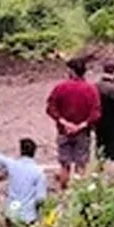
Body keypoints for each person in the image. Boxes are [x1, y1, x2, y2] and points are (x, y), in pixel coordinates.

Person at [45, 56, 100, 189]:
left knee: (64, 164)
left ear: (71, 71)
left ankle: (63, 191)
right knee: (82, 164)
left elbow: (50, 108)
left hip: (64, 131)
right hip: (83, 132)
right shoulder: (91, 89)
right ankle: (80, 193)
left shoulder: (60, 88)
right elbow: (96, 113)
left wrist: (64, 122)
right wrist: (81, 125)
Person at [0, 139, 47, 225]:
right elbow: (40, 198)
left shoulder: (12, 165)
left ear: (21, 151)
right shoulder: (39, 172)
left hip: (12, 213)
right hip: (28, 217)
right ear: (34, 152)